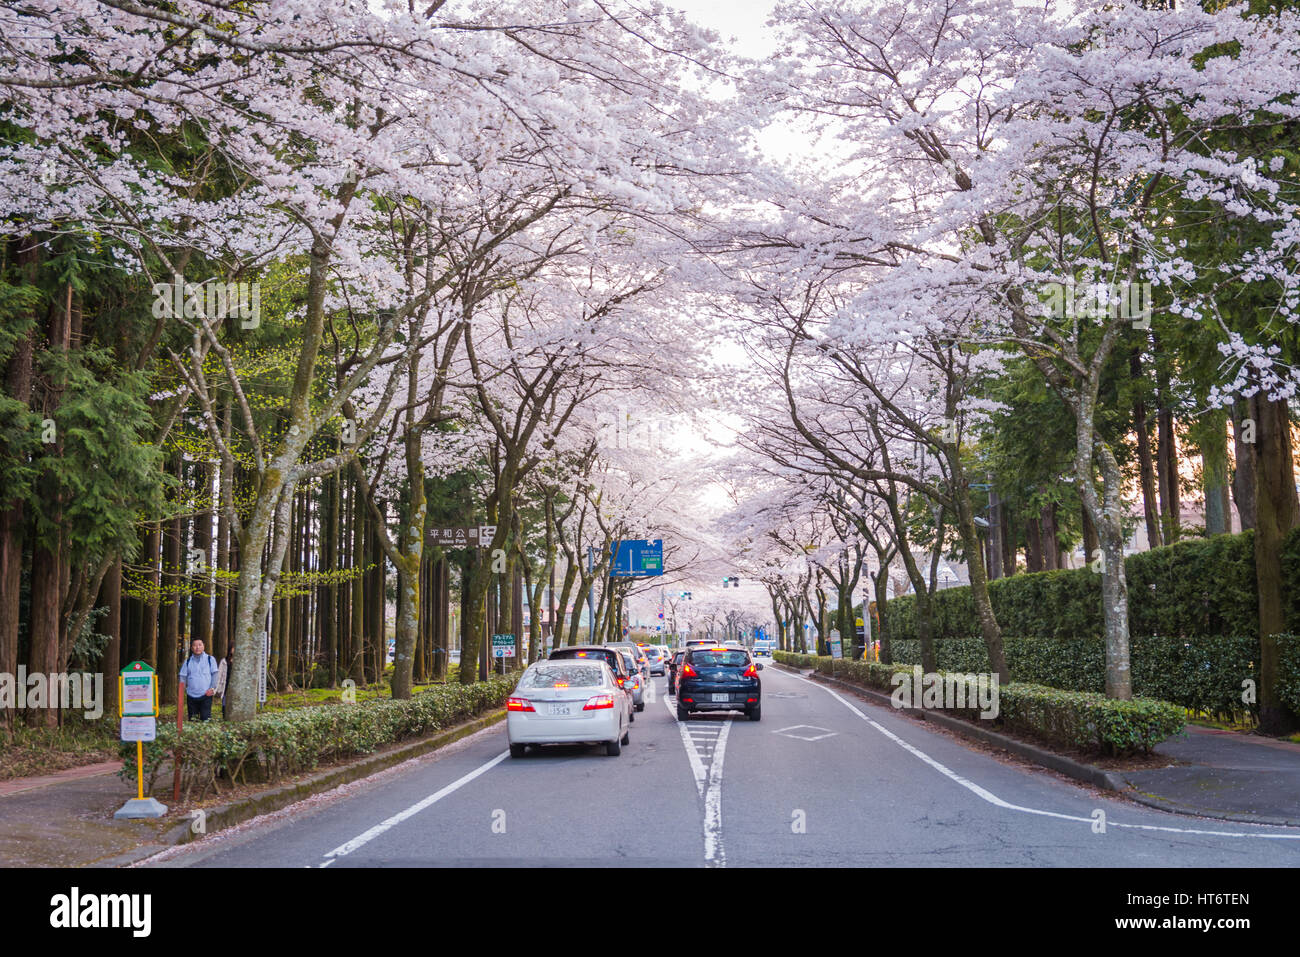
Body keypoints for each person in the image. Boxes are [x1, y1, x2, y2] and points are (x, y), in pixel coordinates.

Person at [178, 637, 219, 722]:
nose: (197, 647)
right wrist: (182, 690)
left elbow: (215, 675)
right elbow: (183, 676)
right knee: (193, 720)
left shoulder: (210, 659)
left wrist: (212, 688)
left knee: (206, 719)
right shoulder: (188, 661)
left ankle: (204, 735)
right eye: (195, 645)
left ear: (203, 646)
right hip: (191, 695)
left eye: (199, 645)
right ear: (192, 648)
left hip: (206, 695)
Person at [215, 644, 234, 719]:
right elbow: (219, 674)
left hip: (235, 686)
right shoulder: (224, 661)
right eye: (233, 648)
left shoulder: (240, 661)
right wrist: (216, 688)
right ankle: (225, 718)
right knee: (224, 703)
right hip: (226, 684)